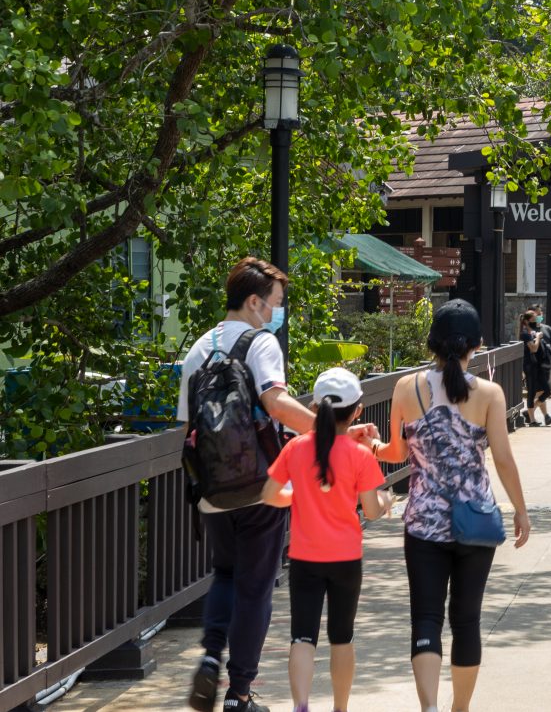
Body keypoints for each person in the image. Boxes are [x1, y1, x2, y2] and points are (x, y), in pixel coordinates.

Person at [179, 257, 373, 712]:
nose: (276, 313)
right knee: (256, 587)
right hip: (261, 484)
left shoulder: (197, 349)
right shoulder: (260, 342)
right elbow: (279, 404)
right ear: (253, 302)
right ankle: (239, 692)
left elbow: (187, 427)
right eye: (275, 304)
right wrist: (335, 436)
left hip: (212, 488)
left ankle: (210, 655)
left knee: (224, 575)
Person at [373, 299, 531, 712]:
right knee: (466, 620)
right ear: (474, 346)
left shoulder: (406, 388)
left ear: (432, 344)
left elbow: (394, 451)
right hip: (475, 521)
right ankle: (459, 708)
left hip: (423, 523)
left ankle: (429, 708)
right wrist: (520, 509)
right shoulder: (490, 394)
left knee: (425, 617)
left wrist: (368, 445)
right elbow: (502, 458)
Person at [261, 368, 395, 712]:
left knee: (302, 636)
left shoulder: (296, 448)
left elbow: (270, 494)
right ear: (357, 412)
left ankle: (302, 705)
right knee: (342, 637)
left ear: (315, 408)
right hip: (346, 558)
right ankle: (340, 708)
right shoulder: (361, 455)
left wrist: (300, 496)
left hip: (305, 556)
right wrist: (387, 500)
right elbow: (372, 509)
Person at [518, 309, 551, 426]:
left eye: (538, 317)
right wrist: (538, 337)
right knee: (532, 392)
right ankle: (533, 419)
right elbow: (533, 348)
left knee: (546, 391)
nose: (537, 320)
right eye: (534, 319)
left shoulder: (542, 330)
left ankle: (533, 413)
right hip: (530, 366)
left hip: (540, 366)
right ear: (527, 321)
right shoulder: (526, 333)